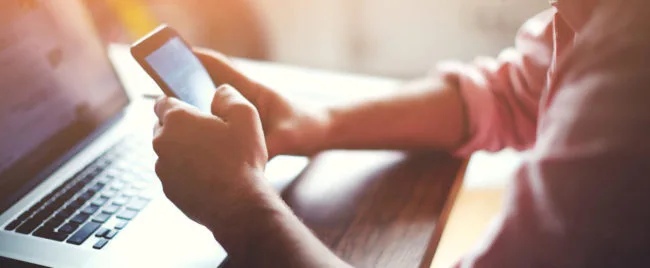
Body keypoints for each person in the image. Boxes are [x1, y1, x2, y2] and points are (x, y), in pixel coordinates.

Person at [151, 0, 650, 267]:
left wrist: (240, 208)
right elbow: (515, 92)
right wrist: (315, 124)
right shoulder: (599, 15)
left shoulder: (631, 76)